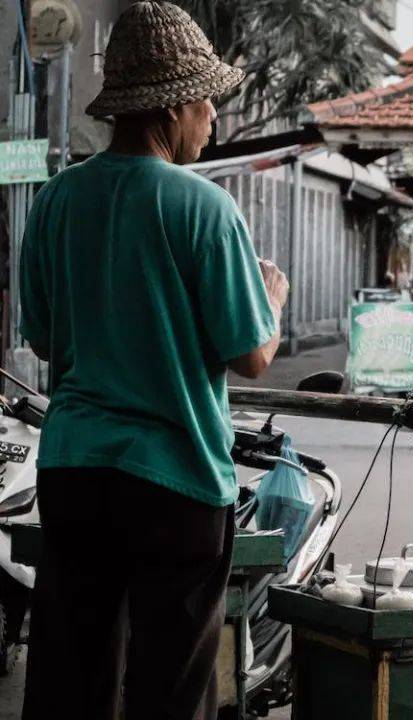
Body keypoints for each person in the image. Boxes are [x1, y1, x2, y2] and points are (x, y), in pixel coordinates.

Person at [17, 3, 288, 719]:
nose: (214, 122)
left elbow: (45, 340)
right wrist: (273, 297)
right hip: (175, 482)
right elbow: (252, 355)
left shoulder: (56, 201)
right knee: (167, 687)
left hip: (74, 471)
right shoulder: (205, 208)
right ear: (171, 109)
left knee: (70, 682)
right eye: (207, 104)